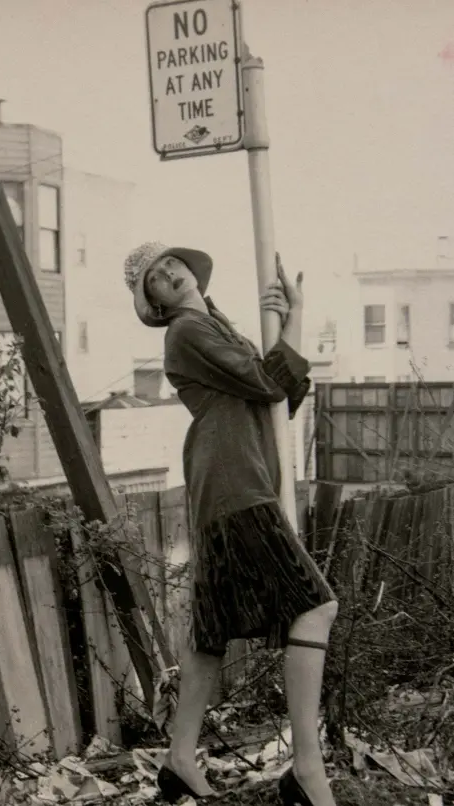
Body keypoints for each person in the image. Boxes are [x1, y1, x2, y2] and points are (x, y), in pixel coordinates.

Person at [123, 243, 338, 806]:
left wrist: (286, 327)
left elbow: (276, 397)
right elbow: (268, 385)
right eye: (153, 278)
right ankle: (307, 768)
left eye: (168, 262)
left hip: (227, 480)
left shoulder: (211, 325)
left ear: (188, 268)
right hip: (234, 483)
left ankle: (179, 759)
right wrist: (294, 319)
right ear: (154, 302)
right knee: (316, 605)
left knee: (211, 635)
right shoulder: (187, 334)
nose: (167, 272)